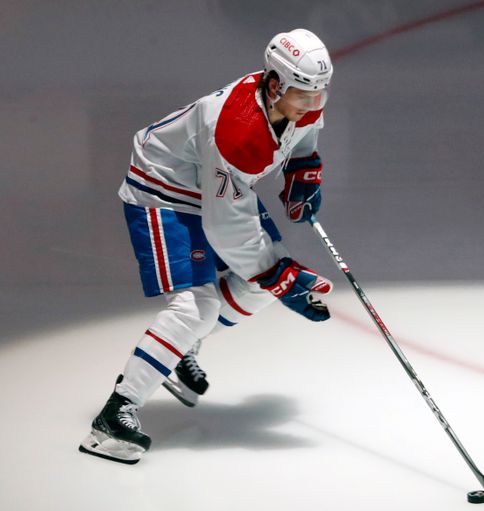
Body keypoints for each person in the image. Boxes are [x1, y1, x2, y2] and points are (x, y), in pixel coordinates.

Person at [79, 28, 334, 464]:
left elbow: (303, 134)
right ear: (274, 86)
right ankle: (113, 416)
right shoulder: (240, 131)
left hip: (213, 185)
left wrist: (303, 170)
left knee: (258, 286)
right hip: (163, 187)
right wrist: (283, 277)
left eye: (320, 95)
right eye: (304, 96)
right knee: (198, 307)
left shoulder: (297, 100)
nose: (313, 105)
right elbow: (227, 229)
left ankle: (178, 347)